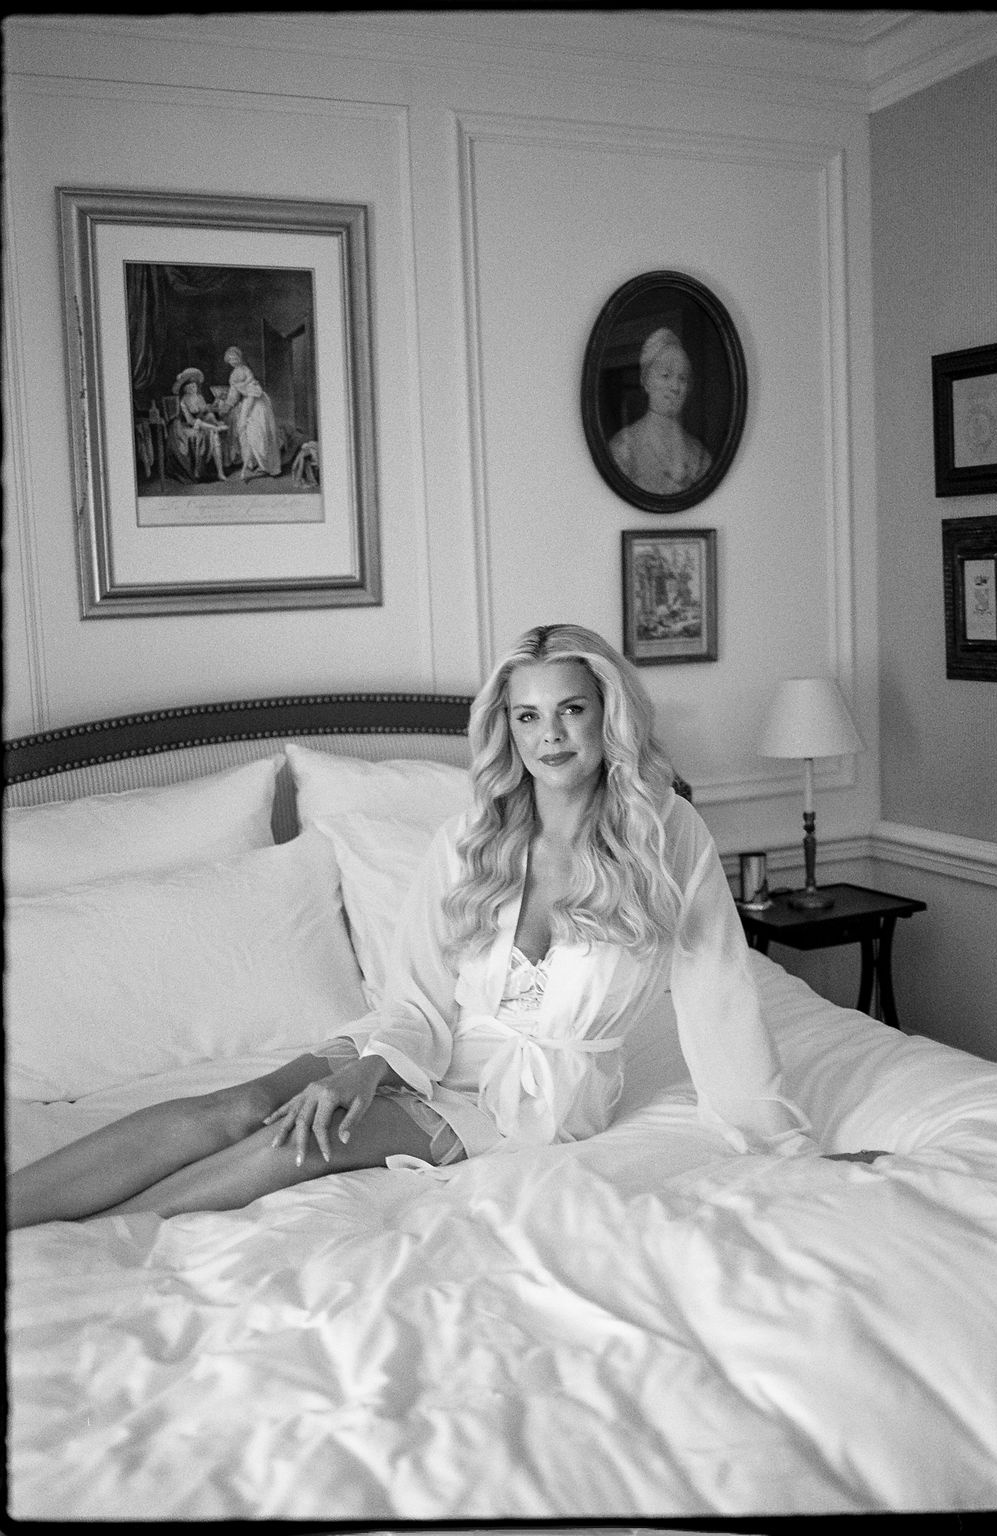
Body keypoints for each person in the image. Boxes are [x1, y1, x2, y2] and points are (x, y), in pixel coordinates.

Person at [8, 624, 882, 1229]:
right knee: (236, 1105)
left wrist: (790, 1151)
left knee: (298, 1147)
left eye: (570, 710)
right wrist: (365, 1068)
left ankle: (83, 1237)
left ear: (606, 713)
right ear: (506, 727)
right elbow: (418, 998)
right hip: (420, 1039)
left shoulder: (667, 837)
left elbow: (721, 1005)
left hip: (526, 1101)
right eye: (527, 715)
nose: (549, 736)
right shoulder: (470, 835)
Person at [608, 327, 712, 495]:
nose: (675, 387)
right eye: (665, 375)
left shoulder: (699, 454)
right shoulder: (624, 447)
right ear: (646, 381)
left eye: (683, 378)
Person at [216, 346, 281, 481]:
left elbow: (253, 390)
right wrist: (226, 407)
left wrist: (245, 412)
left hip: (257, 404)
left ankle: (267, 466)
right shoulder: (233, 375)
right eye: (230, 360)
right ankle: (254, 463)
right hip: (247, 402)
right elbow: (233, 395)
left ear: (239, 357)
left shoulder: (246, 371)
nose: (233, 361)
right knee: (248, 434)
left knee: (260, 433)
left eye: (234, 358)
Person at [167, 368, 228, 483]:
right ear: (184, 389)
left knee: (213, 430)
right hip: (183, 426)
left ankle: (220, 473)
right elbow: (190, 420)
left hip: (199, 422)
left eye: (194, 386)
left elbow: (205, 412)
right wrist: (207, 425)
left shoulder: (199, 397)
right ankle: (215, 428)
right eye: (189, 387)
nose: (192, 389)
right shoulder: (183, 401)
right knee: (207, 428)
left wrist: (215, 407)